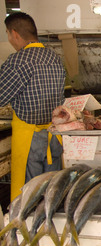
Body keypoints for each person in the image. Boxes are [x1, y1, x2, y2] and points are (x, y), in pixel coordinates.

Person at [0, 12, 66, 201]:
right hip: (54, 136)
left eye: (7, 33)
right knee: (51, 192)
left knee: (30, 195)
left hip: (31, 141)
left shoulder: (18, 61)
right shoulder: (54, 58)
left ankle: (28, 229)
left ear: (14, 33)